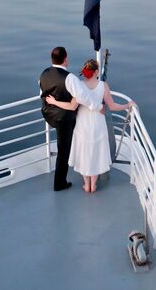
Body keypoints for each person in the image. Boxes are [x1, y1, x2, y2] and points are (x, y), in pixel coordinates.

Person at [46, 58, 135, 193]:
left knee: (84, 152)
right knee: (96, 152)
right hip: (98, 122)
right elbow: (112, 106)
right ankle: (93, 185)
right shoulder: (103, 85)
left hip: (83, 123)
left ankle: (86, 184)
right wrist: (127, 106)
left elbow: (72, 106)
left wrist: (54, 102)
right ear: (96, 71)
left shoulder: (80, 85)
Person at [39, 46, 79, 191]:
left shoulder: (44, 74)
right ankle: (60, 183)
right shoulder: (70, 78)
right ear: (65, 59)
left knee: (63, 146)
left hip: (49, 115)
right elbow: (76, 102)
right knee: (63, 150)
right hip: (64, 118)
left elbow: (43, 91)